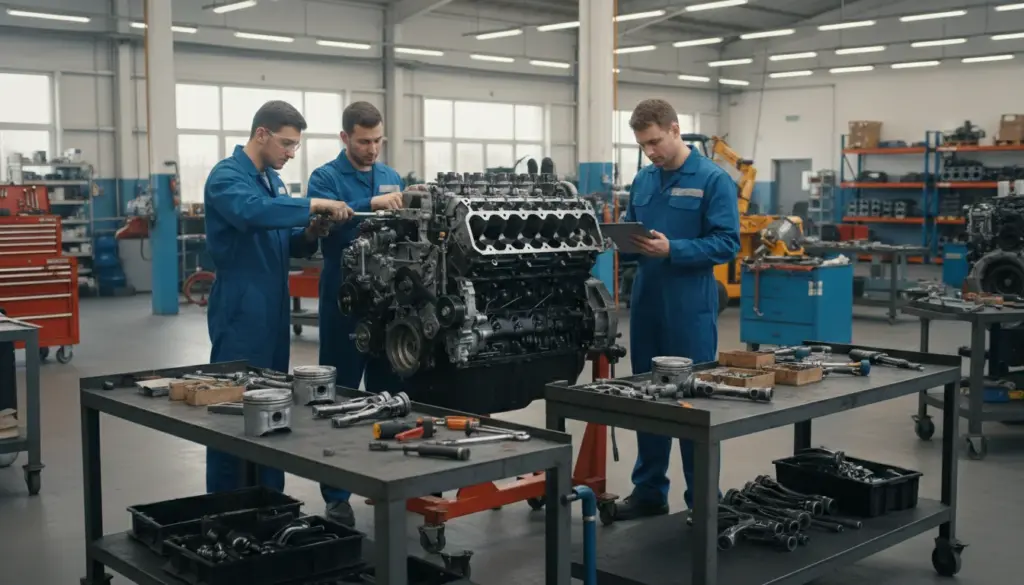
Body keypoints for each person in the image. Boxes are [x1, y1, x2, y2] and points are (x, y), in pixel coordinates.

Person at [204, 100, 354, 495]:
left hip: (272, 306)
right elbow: (252, 214)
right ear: (261, 134)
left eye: (295, 148)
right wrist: (312, 204)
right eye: (286, 145)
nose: (290, 154)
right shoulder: (226, 177)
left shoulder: (273, 181)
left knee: (273, 406)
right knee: (233, 408)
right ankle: (224, 506)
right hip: (240, 305)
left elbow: (279, 239)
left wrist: (309, 233)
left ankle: (270, 502)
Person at [614, 99, 740, 520]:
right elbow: (632, 235)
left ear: (674, 129)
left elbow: (727, 243)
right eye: (643, 145)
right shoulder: (643, 180)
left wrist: (676, 249)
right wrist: (617, 243)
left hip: (690, 303)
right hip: (647, 301)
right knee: (648, 396)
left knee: (691, 401)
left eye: (654, 142)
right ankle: (649, 490)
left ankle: (702, 500)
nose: (651, 152)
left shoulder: (712, 179)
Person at [306, 101, 407, 526]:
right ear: (345, 137)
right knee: (340, 396)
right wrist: (372, 201)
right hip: (344, 299)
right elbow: (331, 220)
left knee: (390, 395)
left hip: (387, 302)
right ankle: (336, 495)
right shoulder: (325, 177)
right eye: (364, 141)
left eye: (378, 140)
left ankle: (388, 482)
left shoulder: (391, 176)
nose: (372, 148)